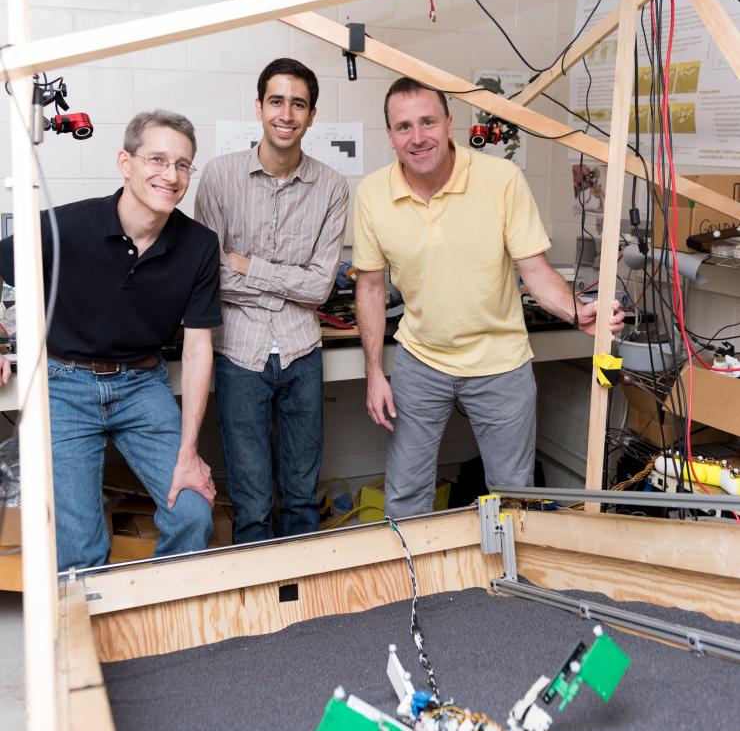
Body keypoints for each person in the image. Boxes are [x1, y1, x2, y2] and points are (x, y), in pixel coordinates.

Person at [352, 77, 624, 518]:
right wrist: (373, 372)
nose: (418, 137)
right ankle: (415, 583)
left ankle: (510, 585)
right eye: (404, 127)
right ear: (389, 136)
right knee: (404, 494)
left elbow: (534, 271)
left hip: (501, 362)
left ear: (449, 123)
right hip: (420, 361)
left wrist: (578, 311)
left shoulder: (501, 180)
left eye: (428, 122)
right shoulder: (371, 194)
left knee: (514, 498)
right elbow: (368, 285)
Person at [0, 110, 221, 572]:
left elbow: (200, 347)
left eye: (183, 164)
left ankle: (166, 625)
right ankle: (95, 637)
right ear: (125, 162)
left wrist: (189, 454)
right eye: (157, 159)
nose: (171, 175)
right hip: (63, 384)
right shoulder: (68, 226)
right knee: (80, 547)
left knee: (193, 512)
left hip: (142, 385)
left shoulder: (199, 244)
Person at [194, 58, 349, 543]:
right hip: (238, 354)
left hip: (303, 352)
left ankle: (306, 611)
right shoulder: (219, 178)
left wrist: (249, 266)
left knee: (302, 498)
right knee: (254, 503)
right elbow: (210, 277)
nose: (286, 113)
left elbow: (320, 287)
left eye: (298, 104)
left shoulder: (332, 187)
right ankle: (260, 612)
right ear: (259, 107)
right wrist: (285, 282)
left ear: (312, 114)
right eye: (277, 101)